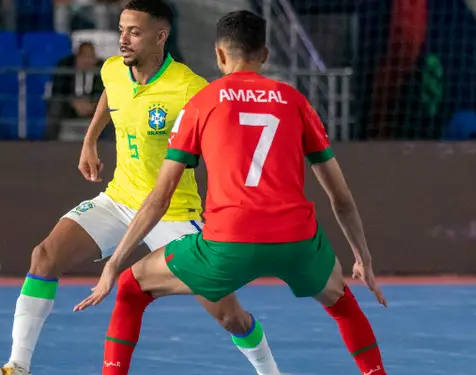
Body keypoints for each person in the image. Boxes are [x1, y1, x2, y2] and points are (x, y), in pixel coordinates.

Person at [74, 9, 390, 375]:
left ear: (220, 55)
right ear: (265, 55)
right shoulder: (294, 100)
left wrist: (114, 264)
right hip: (297, 242)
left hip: (228, 244)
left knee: (131, 288)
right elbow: (341, 198)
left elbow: (160, 198)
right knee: (342, 304)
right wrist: (362, 258)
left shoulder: (202, 102)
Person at [1, 2, 280, 375]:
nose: (123, 40)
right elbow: (111, 94)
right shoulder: (114, 69)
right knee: (45, 256)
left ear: (160, 37)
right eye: (121, 30)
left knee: (229, 316)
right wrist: (90, 139)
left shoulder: (189, 88)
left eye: (134, 32)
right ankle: (16, 366)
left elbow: (226, 144)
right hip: (119, 200)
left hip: (174, 214)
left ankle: (270, 371)